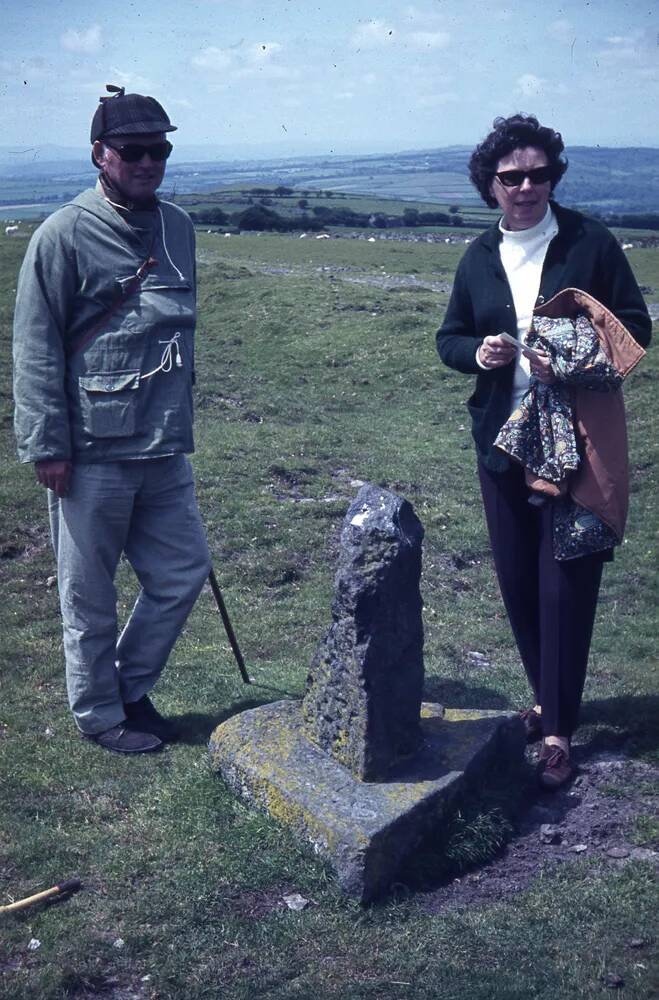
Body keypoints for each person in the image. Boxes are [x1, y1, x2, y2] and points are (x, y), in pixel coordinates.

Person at [436, 114, 651, 789]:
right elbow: (449, 338)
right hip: (502, 443)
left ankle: (557, 730)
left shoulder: (588, 241)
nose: (525, 186)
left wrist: (568, 358)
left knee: (565, 583)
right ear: (489, 184)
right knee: (518, 582)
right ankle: (547, 700)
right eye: (511, 176)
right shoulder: (476, 257)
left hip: (579, 443)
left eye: (537, 174)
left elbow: (634, 328)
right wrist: (480, 352)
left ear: (553, 177)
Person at [13, 86, 212, 754]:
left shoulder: (178, 227)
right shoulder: (61, 235)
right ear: (99, 154)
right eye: (132, 150)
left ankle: (127, 689)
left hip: (162, 446)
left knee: (183, 573)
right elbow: (36, 349)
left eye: (159, 149)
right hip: (90, 451)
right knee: (89, 597)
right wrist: (47, 445)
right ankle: (100, 717)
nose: (148, 161)